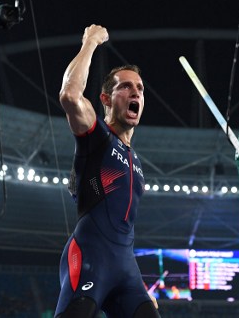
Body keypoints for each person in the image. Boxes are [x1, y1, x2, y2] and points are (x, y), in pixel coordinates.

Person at [54, 24, 160, 318]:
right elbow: (70, 96)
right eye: (125, 86)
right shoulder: (97, 137)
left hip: (126, 270)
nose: (135, 91)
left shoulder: (136, 161)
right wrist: (90, 41)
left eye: (139, 87)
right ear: (106, 99)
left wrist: (139, 287)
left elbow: (124, 230)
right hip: (90, 256)